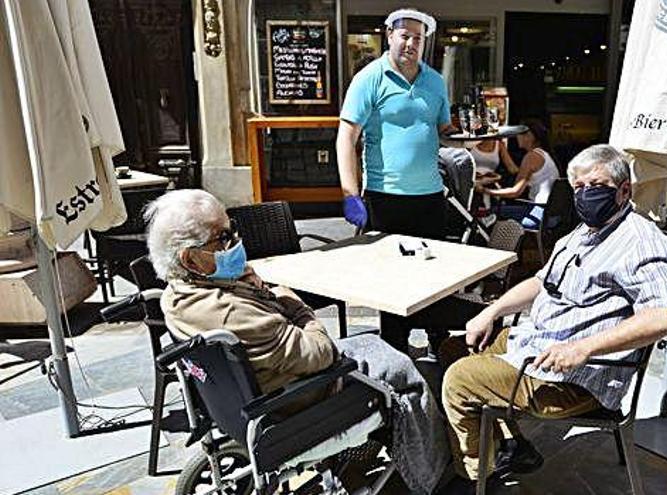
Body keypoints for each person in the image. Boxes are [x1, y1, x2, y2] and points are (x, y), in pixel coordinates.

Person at [144, 189, 450, 495]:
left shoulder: (175, 296)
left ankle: (354, 457)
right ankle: (431, 475)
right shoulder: (231, 311)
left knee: (370, 343)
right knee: (404, 371)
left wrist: (256, 290)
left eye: (233, 228)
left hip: (250, 395)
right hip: (302, 400)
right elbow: (322, 352)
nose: (235, 242)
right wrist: (292, 301)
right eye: (222, 237)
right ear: (190, 259)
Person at [440, 144, 667, 492]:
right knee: (456, 348)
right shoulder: (582, 233)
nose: (585, 196)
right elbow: (541, 281)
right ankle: (512, 445)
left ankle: (478, 475)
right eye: (578, 188)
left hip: (574, 377)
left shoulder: (642, 241)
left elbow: (664, 316)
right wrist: (490, 311)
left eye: (595, 186)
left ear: (624, 189)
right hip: (541, 341)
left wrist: (582, 348)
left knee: (461, 379)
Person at [336, 8, 454, 240]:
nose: (411, 43)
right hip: (384, 197)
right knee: (386, 273)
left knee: (433, 272)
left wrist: (476, 137)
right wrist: (350, 194)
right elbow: (346, 139)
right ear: (390, 35)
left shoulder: (436, 81)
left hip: (431, 196)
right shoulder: (368, 78)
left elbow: (445, 133)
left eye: (418, 38)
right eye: (405, 35)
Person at [478, 119, 559, 228]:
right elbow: (517, 171)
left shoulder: (531, 156)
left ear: (530, 136)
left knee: (489, 212)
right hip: (550, 213)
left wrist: (484, 190)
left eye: (519, 134)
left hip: (539, 213)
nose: (516, 137)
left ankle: (494, 243)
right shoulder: (543, 154)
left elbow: (515, 192)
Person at [471, 139, 518, 209]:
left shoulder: (499, 144)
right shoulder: (470, 143)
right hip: (472, 181)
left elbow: (511, 168)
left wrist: (527, 172)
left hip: (491, 181)